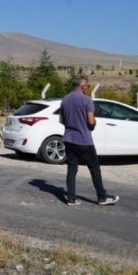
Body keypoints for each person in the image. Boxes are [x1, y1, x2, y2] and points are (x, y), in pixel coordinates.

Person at [58, 76, 119, 206]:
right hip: (84, 139)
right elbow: (91, 121)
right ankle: (102, 197)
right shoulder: (86, 100)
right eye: (88, 86)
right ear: (83, 86)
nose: (88, 88)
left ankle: (71, 198)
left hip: (69, 138)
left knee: (72, 168)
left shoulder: (65, 99)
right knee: (94, 168)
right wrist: (94, 123)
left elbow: (61, 120)